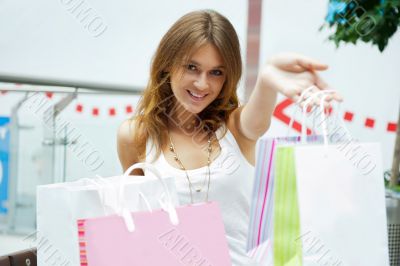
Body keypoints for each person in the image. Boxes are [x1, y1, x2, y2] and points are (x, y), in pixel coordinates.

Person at [117, 9, 341, 265]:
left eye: (216, 72)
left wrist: (267, 80)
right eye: (192, 67)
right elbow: (138, 222)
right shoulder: (135, 135)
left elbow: (256, 121)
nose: (202, 84)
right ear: (168, 63)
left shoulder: (236, 127)